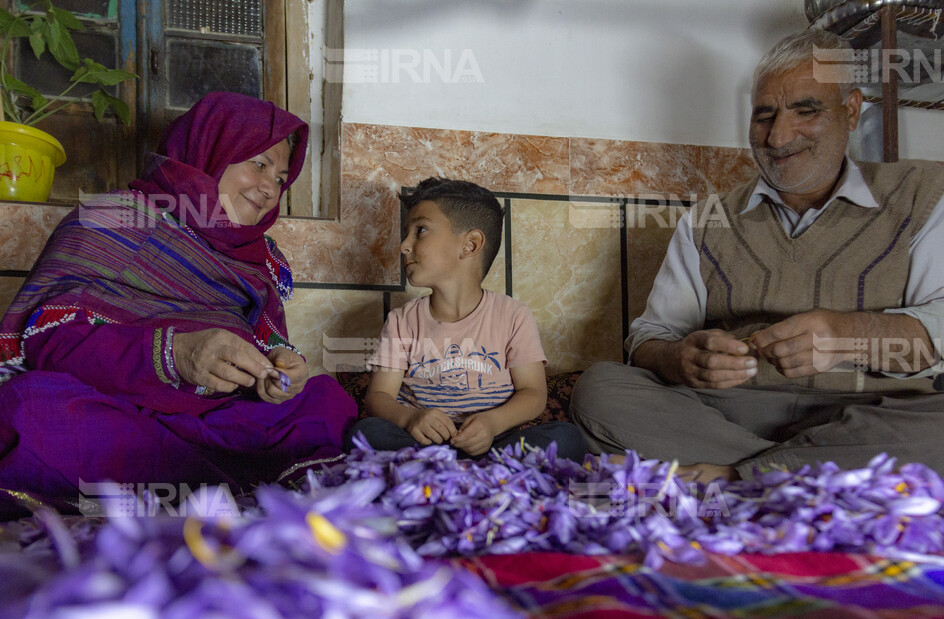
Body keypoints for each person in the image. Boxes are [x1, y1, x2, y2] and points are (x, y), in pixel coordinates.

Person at [569, 29, 944, 482]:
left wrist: (848, 336)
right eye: (764, 115)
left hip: (873, 412)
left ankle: (736, 479)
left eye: (805, 110)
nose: (778, 136)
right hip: (731, 413)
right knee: (599, 391)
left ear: (851, 111)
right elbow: (649, 338)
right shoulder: (707, 219)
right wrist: (678, 358)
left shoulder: (923, 195)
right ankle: (801, 480)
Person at [0, 92, 357, 518]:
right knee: (32, 412)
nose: (268, 188)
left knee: (326, 403)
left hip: (219, 419)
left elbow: (270, 344)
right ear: (208, 149)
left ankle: (181, 490)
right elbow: (47, 341)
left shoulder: (259, 257)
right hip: (122, 407)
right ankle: (223, 491)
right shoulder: (111, 217)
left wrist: (282, 368)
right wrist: (174, 354)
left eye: (281, 178)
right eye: (258, 164)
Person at [345, 177, 588, 461]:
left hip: (493, 443)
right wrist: (410, 419)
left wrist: (492, 423)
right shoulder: (401, 321)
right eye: (407, 233)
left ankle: (460, 474)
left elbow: (533, 393)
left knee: (566, 439)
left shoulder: (513, 316)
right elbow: (379, 397)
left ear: (470, 245)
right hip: (422, 444)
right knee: (363, 434)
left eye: (420, 230)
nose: (404, 246)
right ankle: (459, 473)